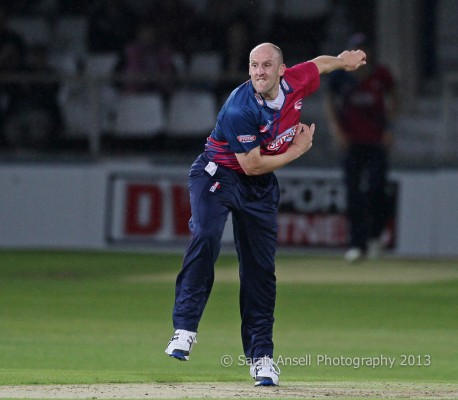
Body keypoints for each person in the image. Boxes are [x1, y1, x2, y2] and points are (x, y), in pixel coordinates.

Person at [165, 42, 366, 386]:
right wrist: (299, 151)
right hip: (219, 174)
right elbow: (252, 164)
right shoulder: (238, 108)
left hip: (258, 189)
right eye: (254, 65)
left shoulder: (296, 82)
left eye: (266, 65)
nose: (259, 71)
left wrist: (343, 62)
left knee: (260, 271)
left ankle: (261, 359)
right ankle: (184, 329)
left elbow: (318, 64)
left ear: (282, 70)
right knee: (207, 236)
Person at [325, 33, 397, 262]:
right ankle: (356, 244)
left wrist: (390, 128)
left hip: (376, 141)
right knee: (354, 193)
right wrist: (336, 130)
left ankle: (375, 238)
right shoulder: (341, 77)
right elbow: (329, 99)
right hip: (352, 142)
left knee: (377, 189)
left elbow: (394, 96)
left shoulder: (380, 75)